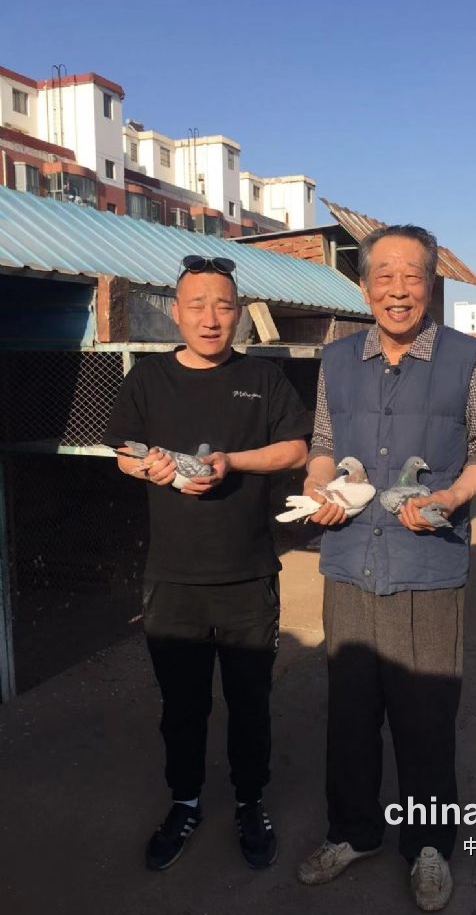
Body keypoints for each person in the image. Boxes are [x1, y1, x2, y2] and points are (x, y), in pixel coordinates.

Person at [296, 226, 476, 911]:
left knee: (426, 719)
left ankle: (428, 846)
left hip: (428, 567)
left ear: (430, 285)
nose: (397, 289)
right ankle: (352, 833)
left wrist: (450, 498)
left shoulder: (466, 357)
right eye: (383, 276)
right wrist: (321, 487)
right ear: (364, 287)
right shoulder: (336, 359)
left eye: (411, 276)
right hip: (350, 562)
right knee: (350, 717)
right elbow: (323, 442)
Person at [103, 254, 309, 872]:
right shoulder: (148, 378)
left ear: (238, 312)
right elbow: (123, 452)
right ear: (177, 312)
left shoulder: (264, 378)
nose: (211, 318)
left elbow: (296, 448)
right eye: (197, 305)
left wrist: (231, 462)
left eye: (223, 305)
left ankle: (250, 802)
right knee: (182, 707)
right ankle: (185, 801)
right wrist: (153, 469)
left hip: (248, 574)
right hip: (173, 578)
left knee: (250, 703)